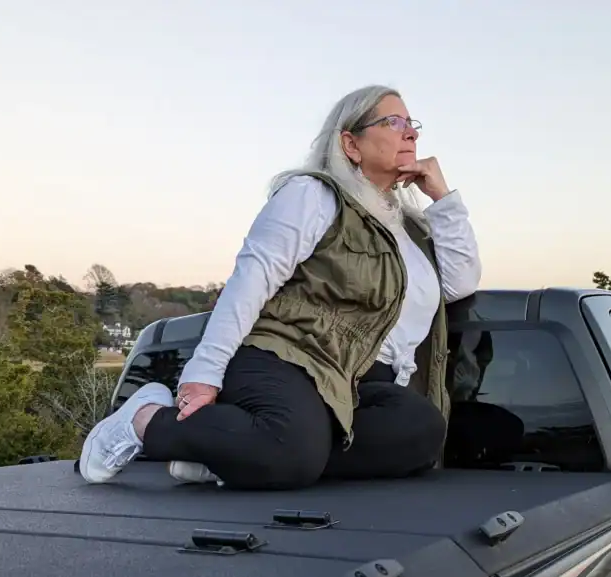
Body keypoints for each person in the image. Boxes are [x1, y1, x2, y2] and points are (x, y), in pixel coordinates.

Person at [79, 84, 482, 490]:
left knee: (421, 430)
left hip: (357, 380)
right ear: (350, 143)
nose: (410, 133)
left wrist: (441, 197)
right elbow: (251, 280)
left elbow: (459, 282)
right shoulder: (315, 195)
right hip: (288, 357)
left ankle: (230, 458)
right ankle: (145, 420)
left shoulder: (410, 229)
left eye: (412, 124)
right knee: (292, 450)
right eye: (393, 122)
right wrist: (203, 374)